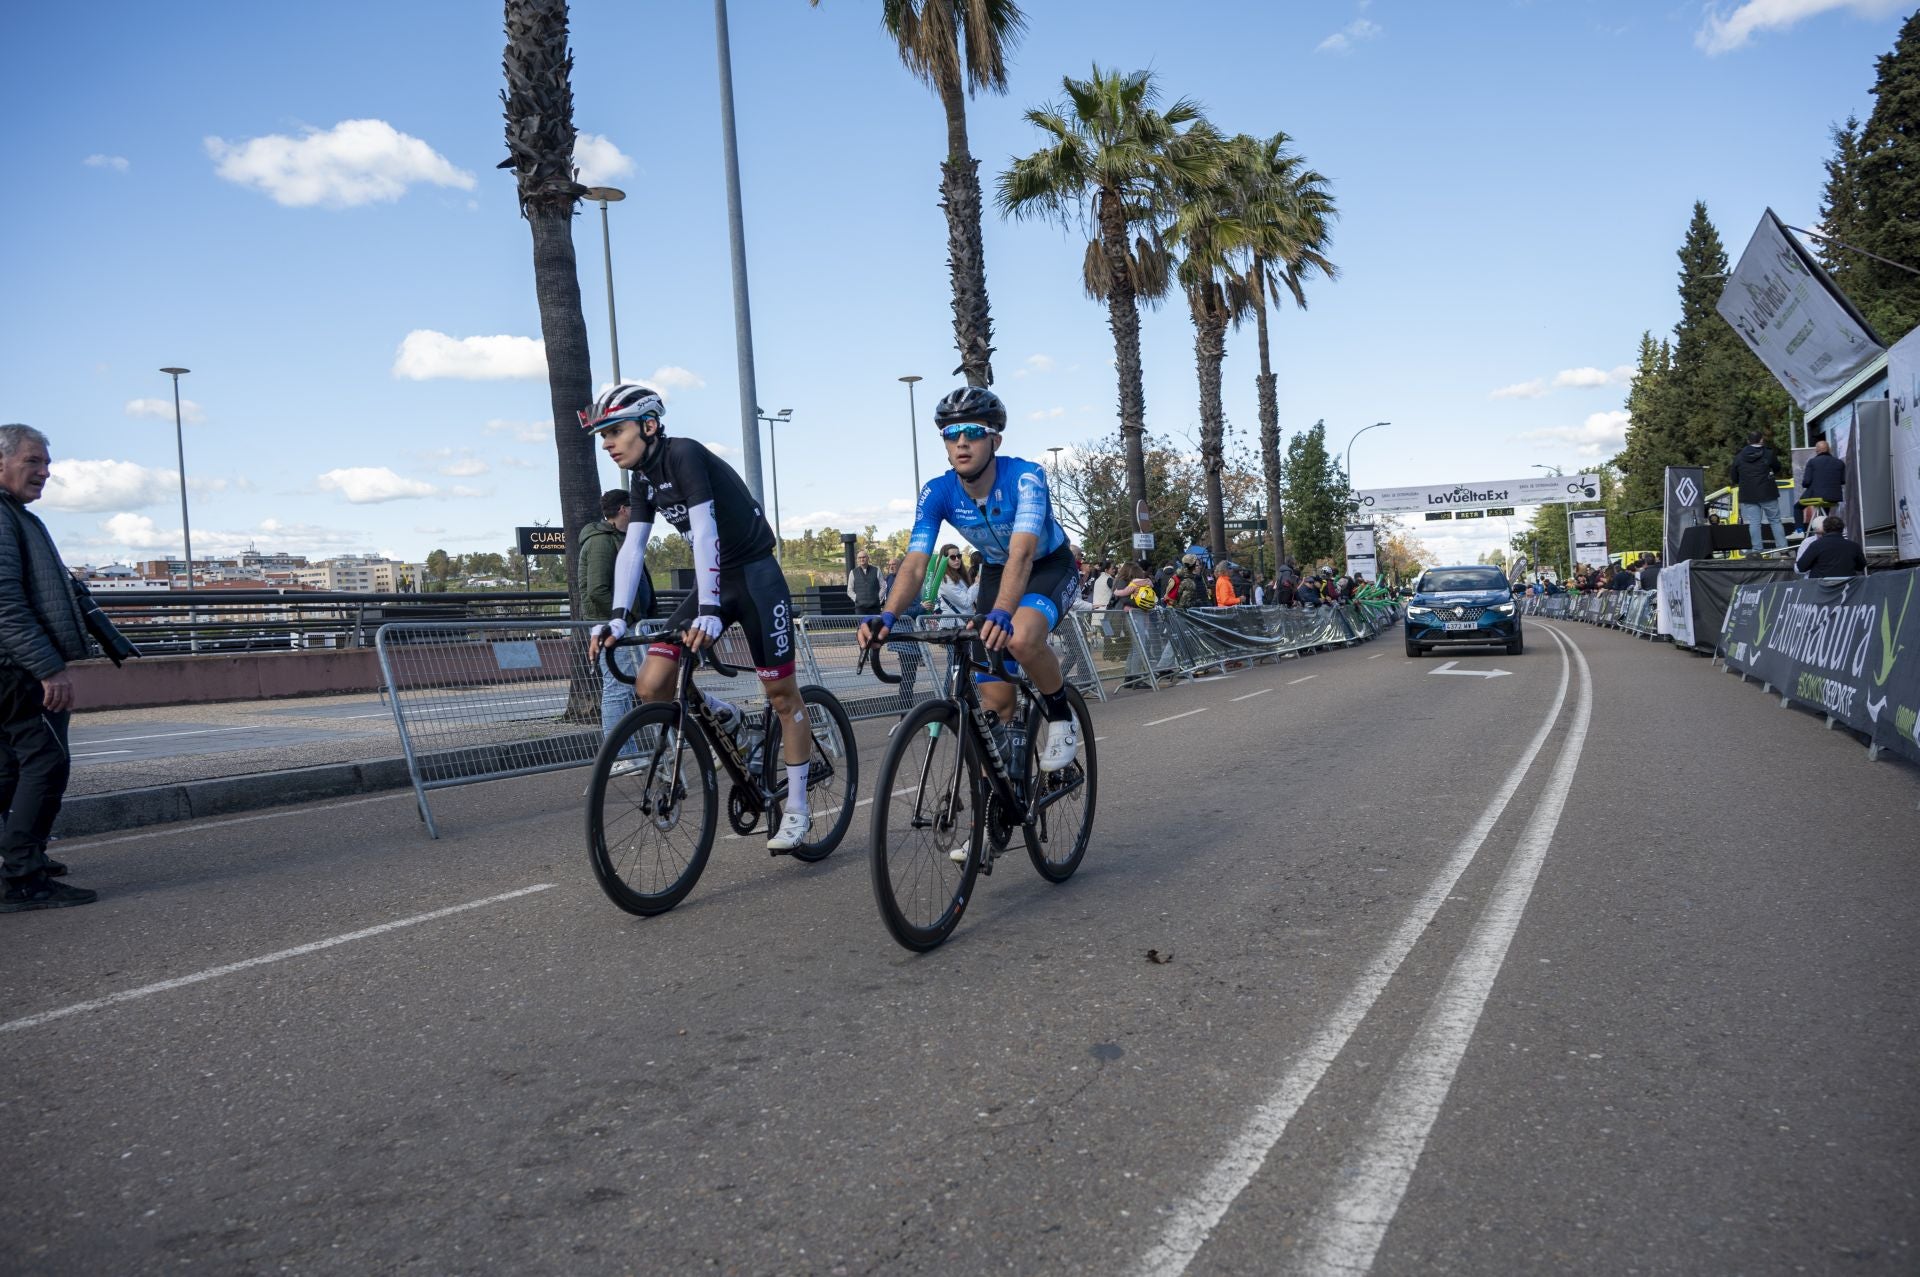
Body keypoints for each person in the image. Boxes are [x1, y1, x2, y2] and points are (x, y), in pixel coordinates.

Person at [582, 383, 818, 853]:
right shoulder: (643, 478)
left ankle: (796, 808)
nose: (607, 442)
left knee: (781, 696)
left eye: (615, 430)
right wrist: (618, 618)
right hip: (714, 581)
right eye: (602, 434)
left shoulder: (684, 454)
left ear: (648, 426)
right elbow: (634, 546)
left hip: (754, 576)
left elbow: (705, 528)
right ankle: (727, 718)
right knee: (651, 684)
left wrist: (709, 608)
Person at [860, 385, 1085, 795]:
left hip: (1046, 565)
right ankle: (991, 812)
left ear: (995, 440)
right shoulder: (937, 492)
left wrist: (1001, 613)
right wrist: (887, 615)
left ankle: (1059, 716)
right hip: (999, 573)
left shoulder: (1026, 477)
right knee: (994, 705)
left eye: (973, 431)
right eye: (951, 433)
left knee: (1020, 635)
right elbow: (914, 563)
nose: (961, 441)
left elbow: (1022, 553)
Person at [0, 425, 97, 911]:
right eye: (33, 461)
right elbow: (5, 604)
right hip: (16, 668)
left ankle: (22, 858)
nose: (44, 472)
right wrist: (48, 668)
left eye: (46, 465)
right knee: (45, 762)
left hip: (11, 664)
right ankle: (22, 876)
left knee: (11, 768)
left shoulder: (13, 513)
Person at [580, 488, 645, 761]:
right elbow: (597, 590)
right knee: (617, 691)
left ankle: (633, 754)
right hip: (612, 627)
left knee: (644, 685)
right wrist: (623, 619)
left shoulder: (616, 538)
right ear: (623, 509)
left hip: (623, 624)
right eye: (633, 507)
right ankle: (621, 758)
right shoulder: (601, 542)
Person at [1729, 430, 1790, 552]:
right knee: (1775, 520)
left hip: (1749, 494)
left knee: (1754, 523)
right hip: (1767, 492)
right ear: (1761, 440)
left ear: (1748, 441)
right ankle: (1783, 549)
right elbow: (1777, 467)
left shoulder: (1739, 456)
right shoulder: (1768, 453)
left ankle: (1757, 550)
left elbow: (1734, 477)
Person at [1796, 515, 1867, 577]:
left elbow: (1801, 567)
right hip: (1846, 587)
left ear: (1824, 529)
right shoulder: (1854, 546)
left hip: (1821, 587)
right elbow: (1861, 567)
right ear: (1842, 529)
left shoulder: (1816, 545)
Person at [1800, 438, 1846, 529]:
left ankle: (1799, 530)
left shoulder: (1812, 462)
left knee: (1797, 508)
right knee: (1825, 511)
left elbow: (1806, 482)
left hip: (1818, 497)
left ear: (1817, 451)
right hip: (1834, 498)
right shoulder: (1839, 463)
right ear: (1829, 449)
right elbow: (1843, 481)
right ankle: (1825, 529)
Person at [846, 548, 882, 614]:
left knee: (875, 624)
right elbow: (849, 590)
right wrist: (857, 599)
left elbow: (883, 586)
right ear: (857, 559)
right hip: (860, 609)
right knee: (862, 624)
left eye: (864, 557)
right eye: (859, 558)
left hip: (875, 608)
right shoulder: (853, 572)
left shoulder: (877, 570)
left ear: (868, 558)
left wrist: (878, 597)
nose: (862, 559)